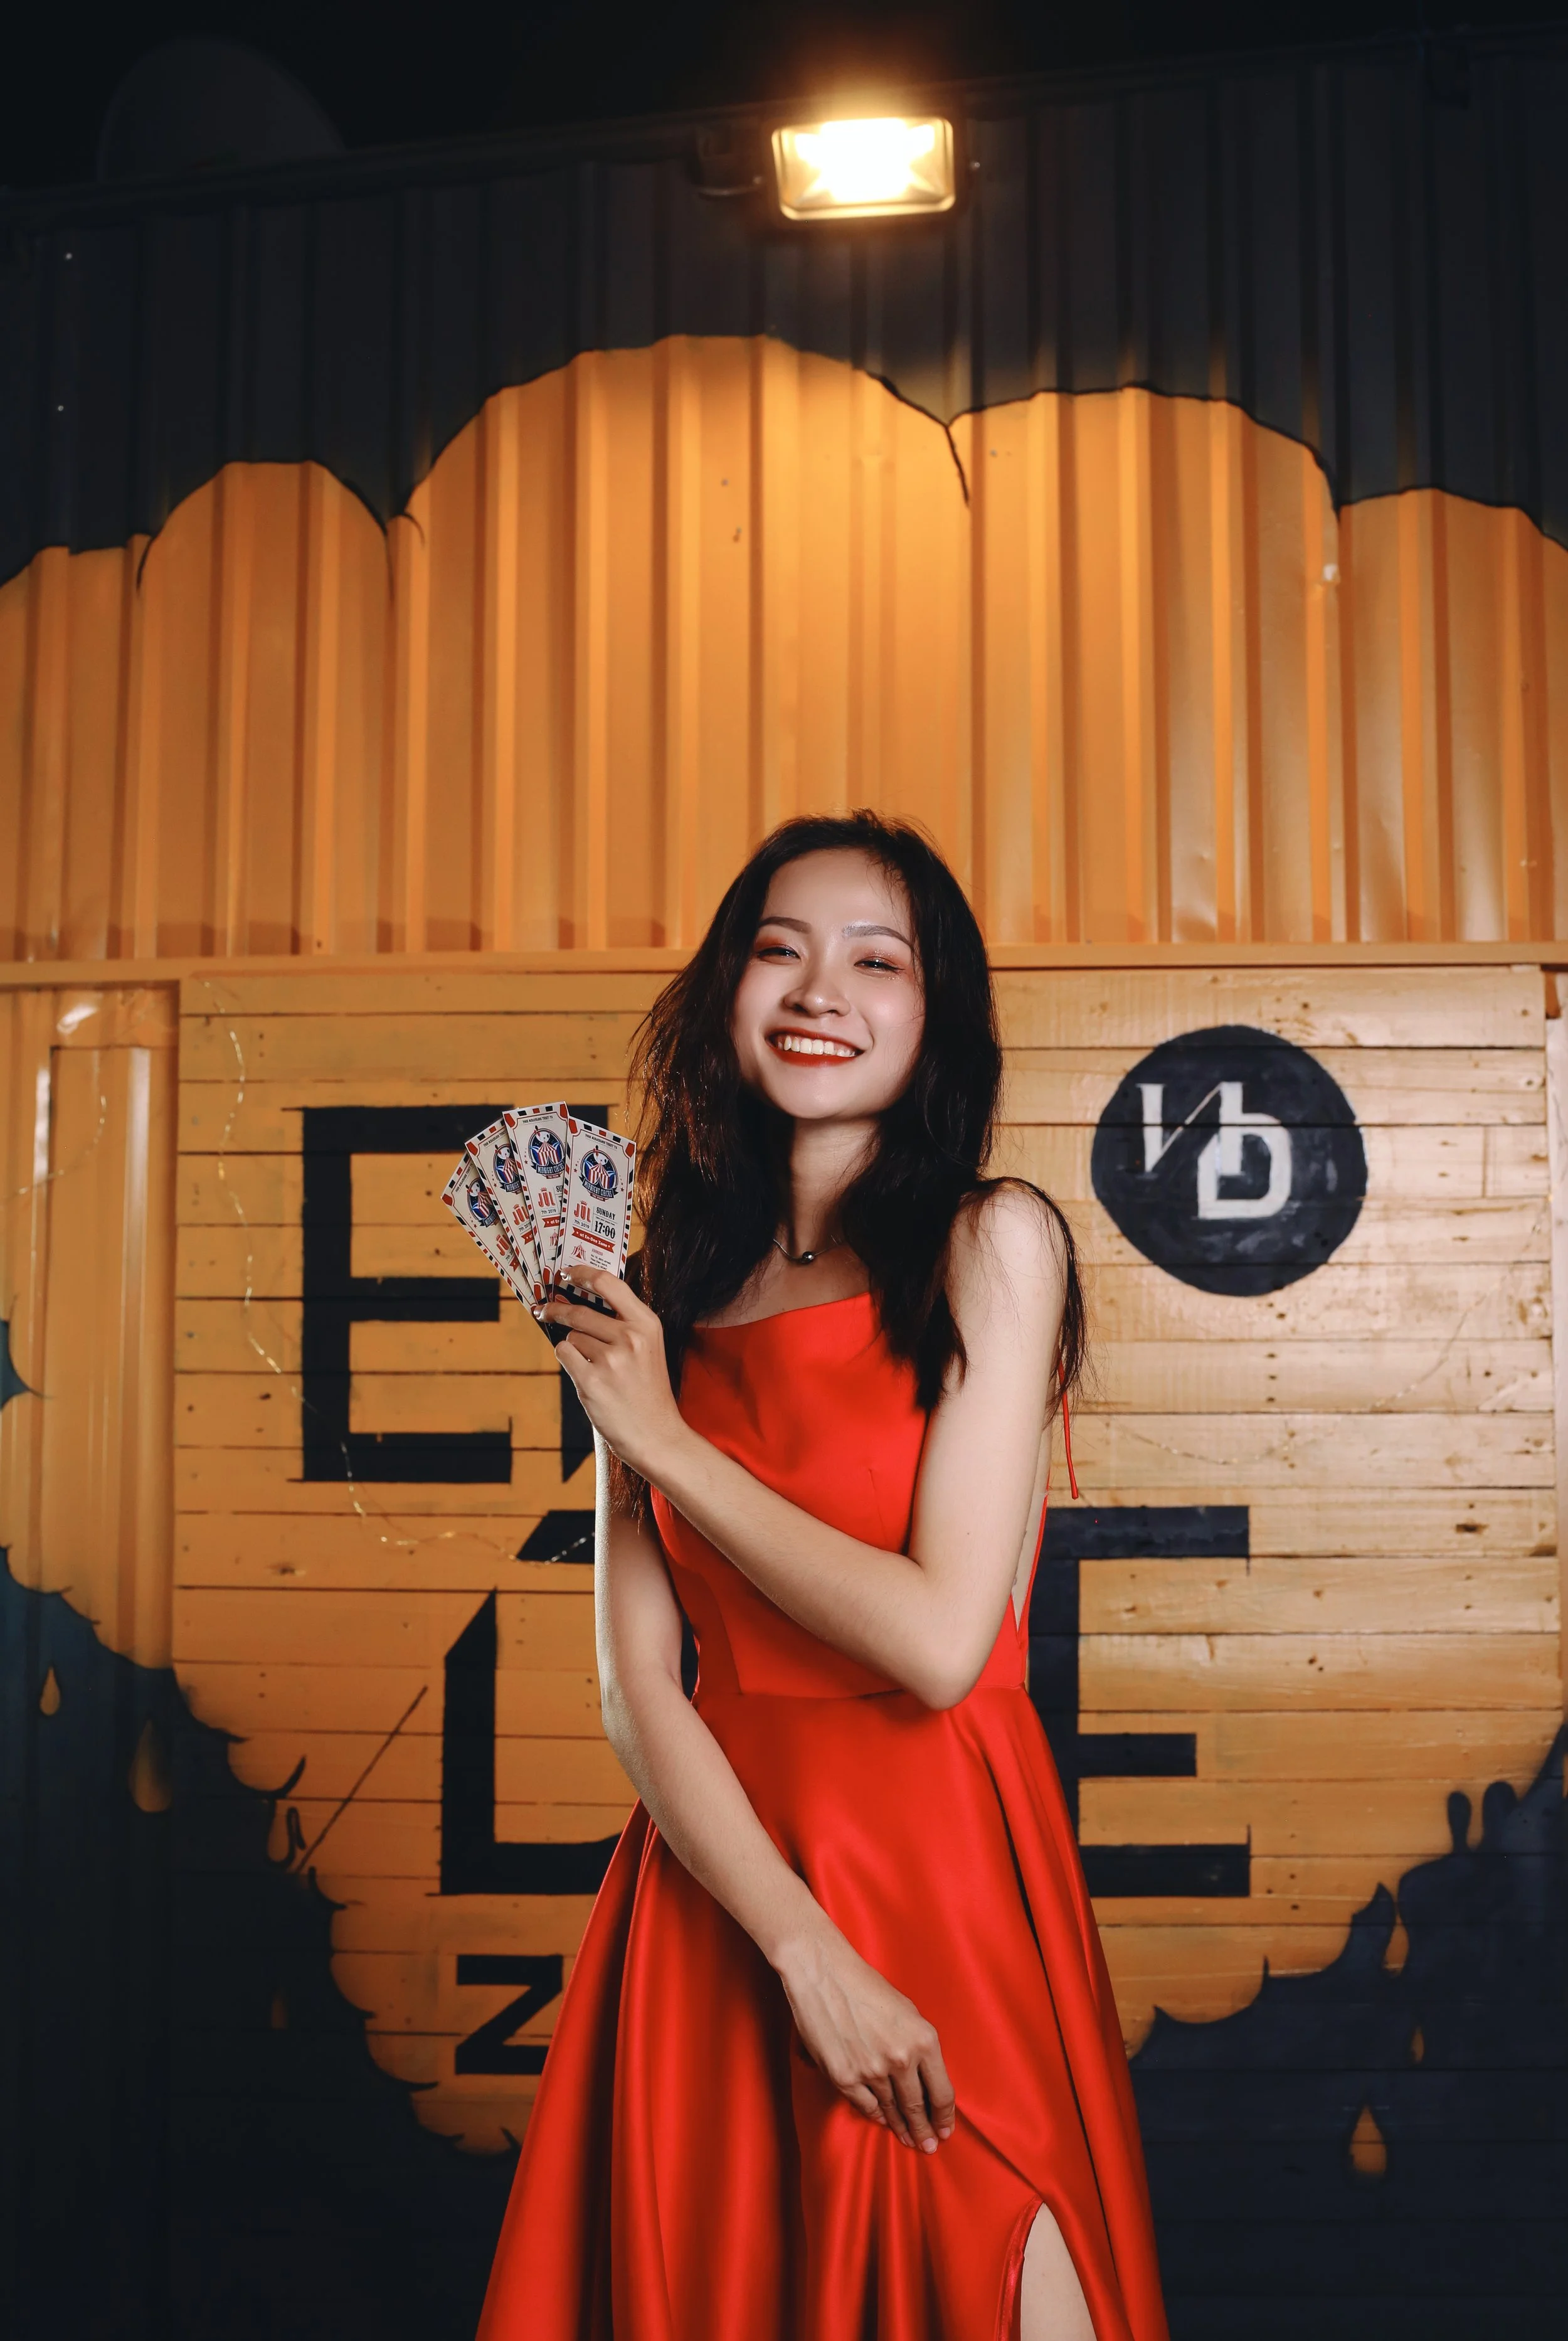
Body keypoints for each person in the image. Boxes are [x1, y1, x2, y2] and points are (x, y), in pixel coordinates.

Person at [477, 813, 1169, 2341]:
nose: (819, 989)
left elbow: (938, 1641)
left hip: (938, 1866)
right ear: (726, 989)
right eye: (778, 948)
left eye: (878, 959)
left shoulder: (993, 1243)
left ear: (937, 1018)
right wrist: (800, 1955)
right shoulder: (655, 1287)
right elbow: (636, 1685)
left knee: (1004, 2264)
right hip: (726, 1893)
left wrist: (667, 1443)